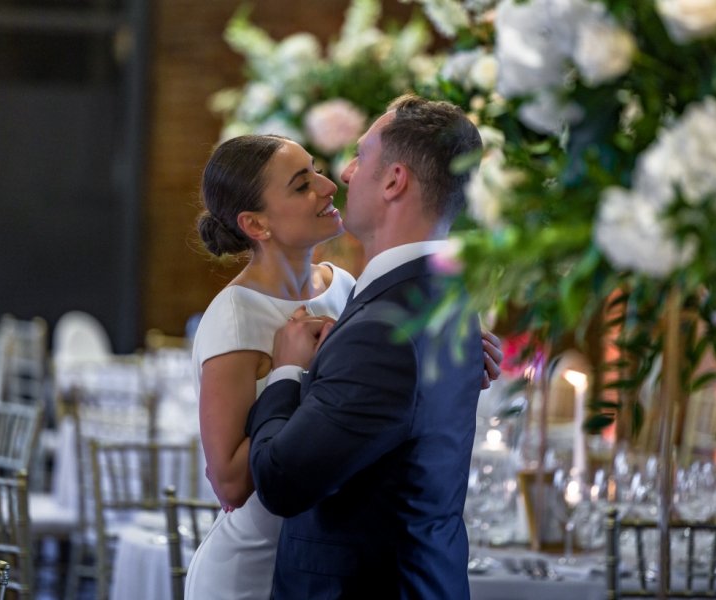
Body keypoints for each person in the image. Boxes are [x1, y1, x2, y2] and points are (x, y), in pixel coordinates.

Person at [186, 131, 501, 599]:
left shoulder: (346, 285)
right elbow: (230, 484)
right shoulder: (236, 316)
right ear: (256, 224)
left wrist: (431, 357)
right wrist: (287, 374)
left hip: (330, 558)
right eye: (301, 184)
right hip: (254, 567)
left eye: (315, 168)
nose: (328, 184)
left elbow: (362, 398)